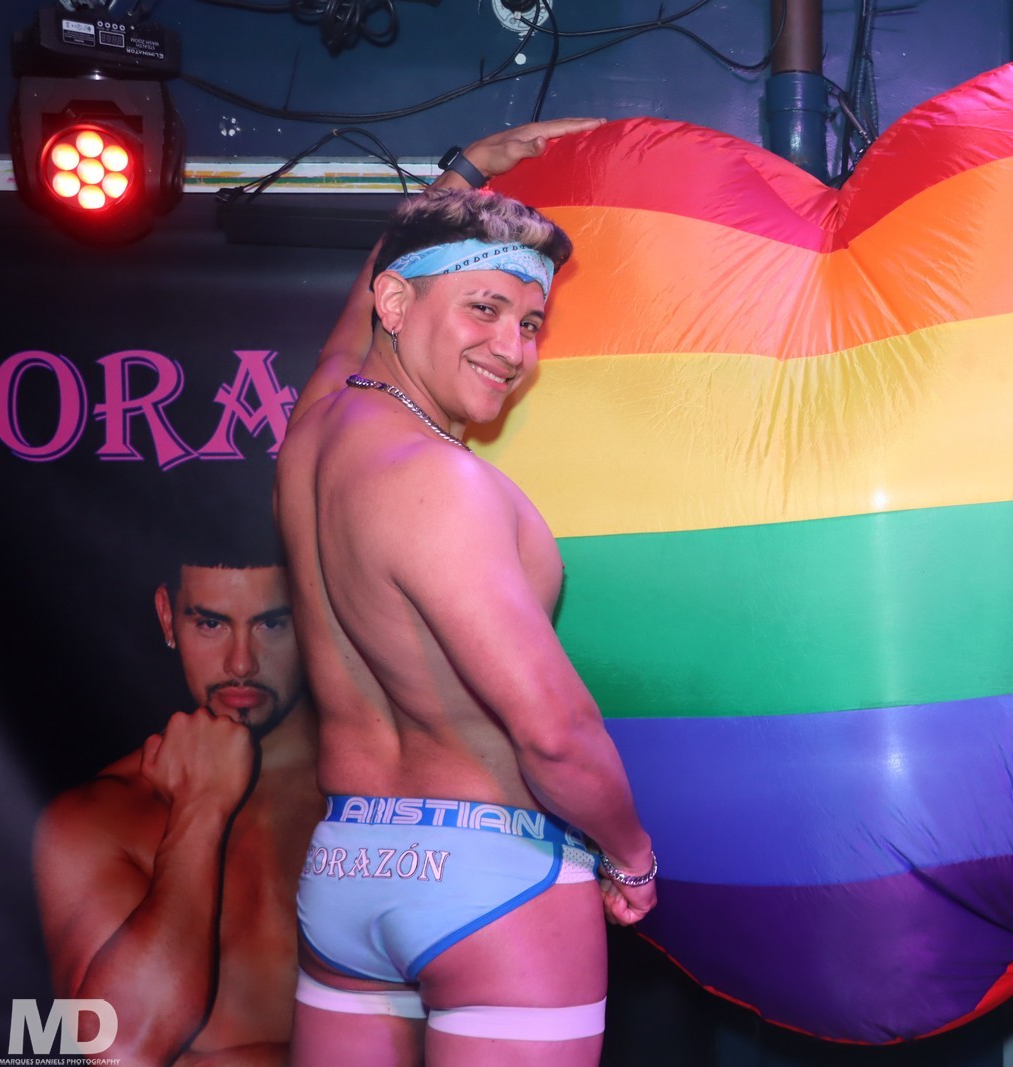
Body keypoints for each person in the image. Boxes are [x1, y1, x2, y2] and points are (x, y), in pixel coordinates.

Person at [275, 118, 656, 1067]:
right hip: (493, 879)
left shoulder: (313, 432)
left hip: (347, 868)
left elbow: (354, 318)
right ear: (397, 303)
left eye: (529, 324)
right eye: (483, 308)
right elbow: (555, 733)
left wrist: (464, 174)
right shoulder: (439, 479)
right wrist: (631, 854)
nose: (513, 349)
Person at [32, 523, 322, 1066]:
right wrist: (201, 809)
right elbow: (117, 1051)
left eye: (272, 623)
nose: (241, 662)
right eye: (211, 623)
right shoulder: (99, 817)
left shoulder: (375, 797)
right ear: (168, 618)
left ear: (313, 618)